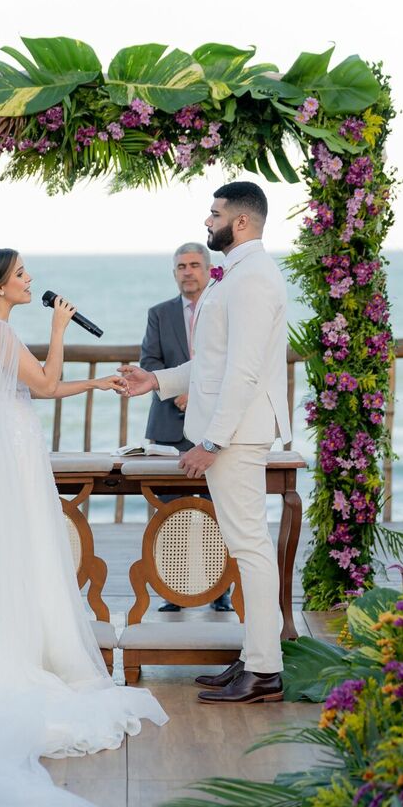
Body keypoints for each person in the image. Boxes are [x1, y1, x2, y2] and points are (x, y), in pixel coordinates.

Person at [0, 250, 167, 807]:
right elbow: (47, 384)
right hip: (17, 462)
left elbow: (40, 388)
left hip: (17, 456)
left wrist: (98, 382)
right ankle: (26, 655)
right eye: (22, 274)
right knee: (30, 556)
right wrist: (60, 330)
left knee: (29, 559)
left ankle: (31, 641)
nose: (30, 281)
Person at [120, 183, 291, 705]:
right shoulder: (236, 275)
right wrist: (158, 381)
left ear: (239, 222)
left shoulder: (255, 279)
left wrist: (211, 442)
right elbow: (215, 362)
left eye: (214, 213)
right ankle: (253, 655)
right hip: (231, 433)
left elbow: (242, 372)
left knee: (251, 550)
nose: (207, 220)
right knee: (245, 547)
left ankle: (264, 670)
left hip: (237, 436)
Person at [140, 242, 233, 612]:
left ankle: (219, 589)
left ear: (209, 269)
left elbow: (232, 364)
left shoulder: (222, 309)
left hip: (214, 428)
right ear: (174, 272)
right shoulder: (158, 314)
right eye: (181, 266)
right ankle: (172, 590)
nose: (188, 272)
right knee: (170, 512)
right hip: (169, 427)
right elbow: (149, 361)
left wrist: (198, 395)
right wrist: (178, 393)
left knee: (215, 512)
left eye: (195, 264)